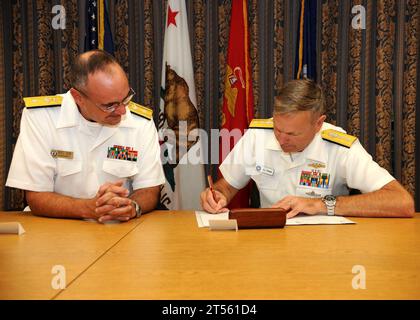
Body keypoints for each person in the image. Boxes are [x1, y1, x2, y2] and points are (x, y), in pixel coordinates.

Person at [201, 79, 414, 218]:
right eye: (277, 129)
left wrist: (321, 204)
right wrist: (218, 195)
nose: (282, 139)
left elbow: (401, 202)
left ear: (318, 124)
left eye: (293, 134)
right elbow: (227, 186)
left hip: (325, 248)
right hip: (268, 246)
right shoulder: (257, 136)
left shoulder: (338, 146)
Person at [6, 49, 165, 223]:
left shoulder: (140, 122)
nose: (122, 110)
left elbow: (149, 189)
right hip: (57, 229)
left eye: (126, 98)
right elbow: (36, 196)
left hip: (117, 231)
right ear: (78, 97)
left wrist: (132, 207)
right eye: (110, 105)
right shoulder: (42, 118)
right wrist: (89, 208)